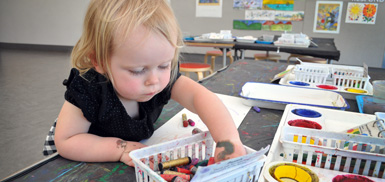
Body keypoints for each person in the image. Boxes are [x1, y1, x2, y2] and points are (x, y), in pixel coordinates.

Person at [43, 0, 246, 167]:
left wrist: (228, 140)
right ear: (100, 62)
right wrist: (120, 149)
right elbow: (67, 141)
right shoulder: (89, 88)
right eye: (137, 70)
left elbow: (200, 97)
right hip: (81, 154)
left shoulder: (158, 77)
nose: (154, 81)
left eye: (164, 65)